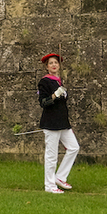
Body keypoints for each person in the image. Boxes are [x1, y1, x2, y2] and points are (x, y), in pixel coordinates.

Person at [37, 53, 78, 194]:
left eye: (56, 62)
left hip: (63, 123)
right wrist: (55, 95)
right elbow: (43, 102)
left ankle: (60, 177)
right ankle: (49, 186)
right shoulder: (45, 82)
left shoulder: (59, 81)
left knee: (74, 147)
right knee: (51, 155)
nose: (54, 65)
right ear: (47, 67)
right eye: (51, 63)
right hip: (51, 123)